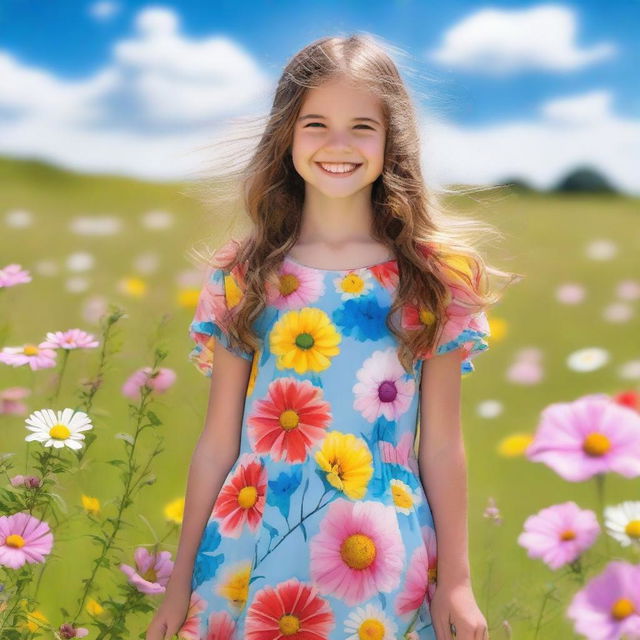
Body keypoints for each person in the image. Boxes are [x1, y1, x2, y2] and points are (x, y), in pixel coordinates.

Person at [147, 33, 519, 640]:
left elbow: (443, 446)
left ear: (391, 140)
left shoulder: (435, 279)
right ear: (286, 136)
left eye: (361, 127)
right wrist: (180, 579)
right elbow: (218, 441)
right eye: (315, 123)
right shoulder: (245, 272)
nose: (337, 145)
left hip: (382, 553)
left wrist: (456, 581)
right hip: (251, 545)